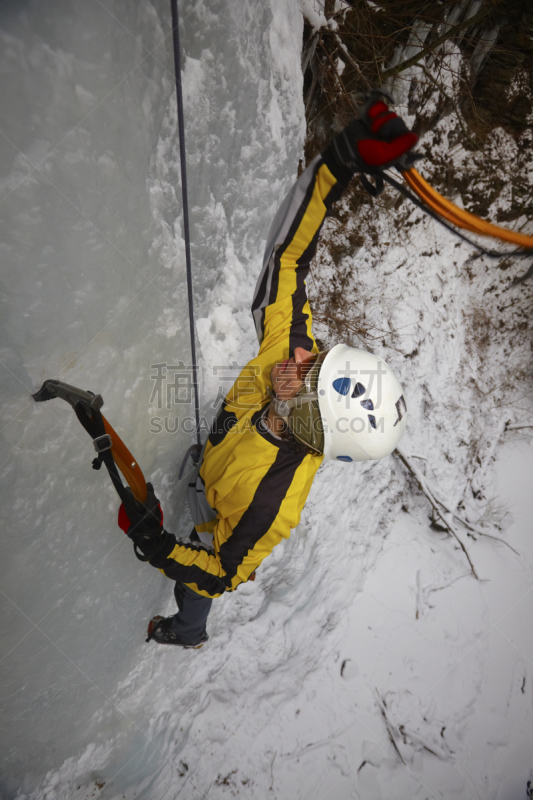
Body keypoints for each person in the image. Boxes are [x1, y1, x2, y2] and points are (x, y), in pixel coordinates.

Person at [118, 95, 417, 648]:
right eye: (319, 355)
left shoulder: (273, 507)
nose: (303, 352)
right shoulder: (292, 351)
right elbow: (286, 258)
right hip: (219, 463)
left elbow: (224, 571)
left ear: (308, 419)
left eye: (310, 369)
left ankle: (187, 633)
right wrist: (339, 163)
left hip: (220, 516)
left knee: (196, 588)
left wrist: (159, 546)